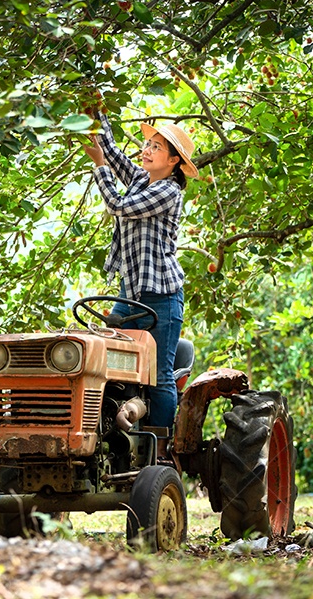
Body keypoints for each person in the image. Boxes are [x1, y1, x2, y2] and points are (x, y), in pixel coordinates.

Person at [82, 111, 198, 431]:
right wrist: (96, 113)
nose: (147, 150)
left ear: (174, 160)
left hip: (162, 297)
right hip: (131, 295)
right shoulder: (141, 178)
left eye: (157, 147)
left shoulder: (168, 191)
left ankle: (158, 449)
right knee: (105, 365)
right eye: (147, 144)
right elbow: (114, 153)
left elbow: (118, 207)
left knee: (158, 377)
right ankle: (110, 436)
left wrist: (99, 166)